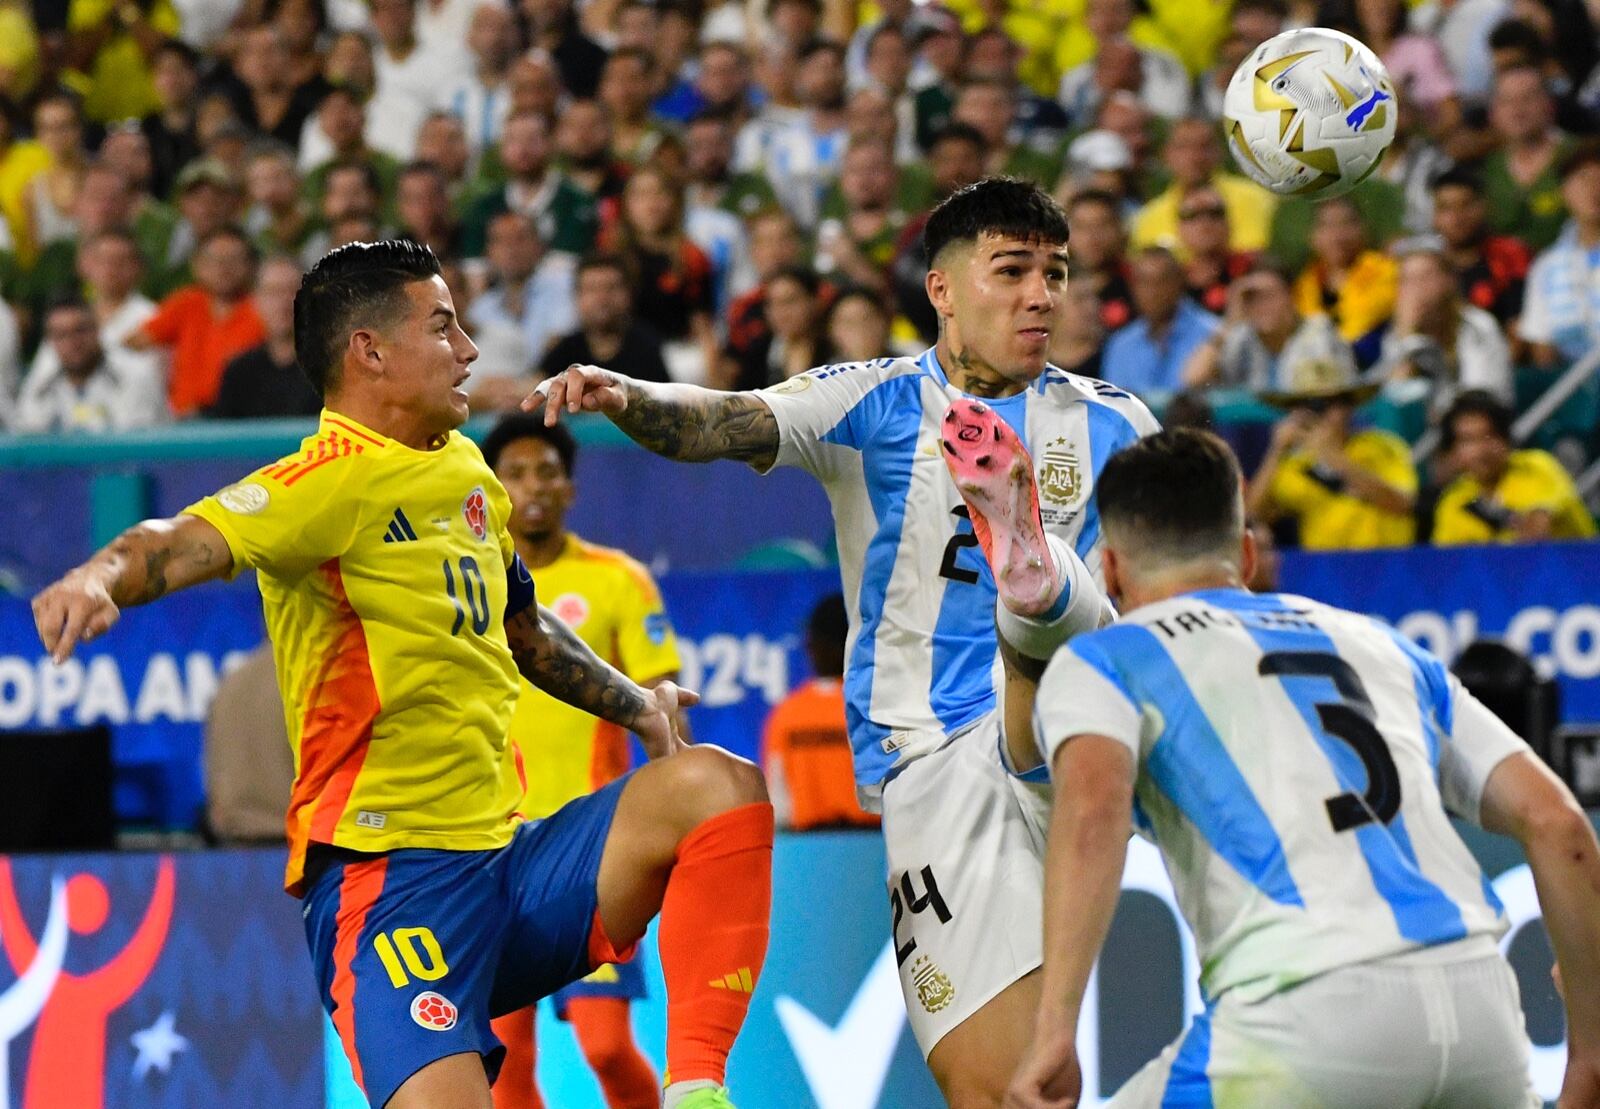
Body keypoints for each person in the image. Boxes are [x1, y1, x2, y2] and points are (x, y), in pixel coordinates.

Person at [30, 240, 770, 1109]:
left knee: (718, 784)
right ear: (370, 352)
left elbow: (521, 627)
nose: (469, 350)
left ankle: (696, 1090)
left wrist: (636, 702)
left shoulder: (464, 470)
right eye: (444, 326)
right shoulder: (322, 484)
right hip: (388, 890)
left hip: (512, 859)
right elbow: (174, 541)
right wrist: (96, 575)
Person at [528, 178, 1158, 1104]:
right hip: (942, 758)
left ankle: (1037, 583)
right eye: (1013, 270)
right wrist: (624, 393)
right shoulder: (873, 402)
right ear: (941, 290)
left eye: (1055, 274)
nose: (1041, 295)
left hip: (1068, 740)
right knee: (1010, 1086)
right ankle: (1040, 582)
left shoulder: (1118, 421)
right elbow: (726, 418)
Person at [1012, 427, 1600, 1108]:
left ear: (1110, 571)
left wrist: (1054, 1030)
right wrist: (1588, 1048)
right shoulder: (1384, 645)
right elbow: (1559, 823)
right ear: (1248, 554)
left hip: (1303, 1012)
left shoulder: (1106, 658)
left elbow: (1091, 815)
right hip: (1480, 1008)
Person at [481, 414, 681, 1109]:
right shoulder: (469, 586)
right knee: (504, 1062)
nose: (532, 486)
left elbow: (665, 700)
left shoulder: (618, 580)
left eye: (547, 471)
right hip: (495, 850)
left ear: (569, 485)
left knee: (602, 1043)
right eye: (515, 472)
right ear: (492, 487)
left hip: (597, 847)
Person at [1247, 358, 1417, 550]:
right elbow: (1253, 516)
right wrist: (1276, 451)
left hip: (1384, 566)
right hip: (1325, 571)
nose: (1319, 414)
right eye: (1307, 405)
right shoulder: (1296, 466)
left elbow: (1401, 504)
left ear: (1349, 406)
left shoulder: (1383, 446)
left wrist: (1332, 456)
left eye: (1328, 403)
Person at [763, 593, 879, 831]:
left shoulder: (787, 714)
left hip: (808, 851)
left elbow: (779, 802)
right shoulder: (874, 706)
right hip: (873, 846)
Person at [1432, 390, 1597, 545]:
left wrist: (1539, 516)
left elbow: (1545, 518)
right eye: (1468, 440)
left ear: (1506, 439)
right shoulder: (1452, 502)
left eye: (1490, 436)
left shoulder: (1536, 466)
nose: (1481, 450)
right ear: (1453, 451)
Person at [1183, 262, 1355, 393]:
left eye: (1269, 296)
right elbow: (1193, 379)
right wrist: (1229, 322)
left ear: (1291, 297)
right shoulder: (1242, 337)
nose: (1262, 305)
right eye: (1251, 298)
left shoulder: (1319, 334)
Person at [209, 255, 323, 419]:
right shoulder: (239, 373)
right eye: (273, 292)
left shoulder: (333, 369)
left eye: (293, 291)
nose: (284, 302)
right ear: (256, 301)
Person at [1101, 247, 1221, 396]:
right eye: (1143, 282)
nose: (1152, 292)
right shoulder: (1120, 345)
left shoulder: (1214, 334)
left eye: (1161, 281)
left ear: (1179, 282)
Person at [538, 253, 671, 385]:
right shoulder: (566, 349)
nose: (602, 298)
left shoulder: (650, 348)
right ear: (577, 297)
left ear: (628, 295)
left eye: (611, 288)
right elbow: (536, 385)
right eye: (592, 289)